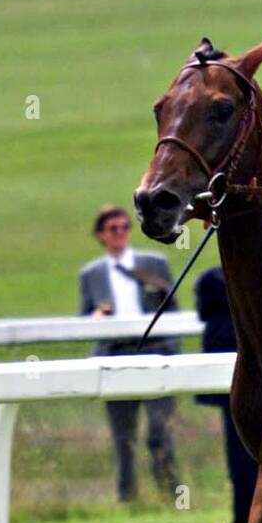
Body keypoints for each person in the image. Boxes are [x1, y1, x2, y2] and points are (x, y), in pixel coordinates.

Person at [78, 205, 180, 501]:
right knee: (123, 436)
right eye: (113, 229)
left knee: (160, 431)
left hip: (154, 351)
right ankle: (128, 497)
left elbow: (172, 309)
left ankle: (171, 494)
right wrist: (96, 318)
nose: (120, 233)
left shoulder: (153, 264)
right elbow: (84, 316)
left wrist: (171, 351)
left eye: (125, 227)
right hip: (115, 354)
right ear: (101, 236)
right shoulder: (91, 275)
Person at [193, 266, 258, 523]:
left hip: (240, 383)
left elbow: (203, 310)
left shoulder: (211, 281)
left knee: (242, 461)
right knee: (247, 461)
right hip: (250, 382)